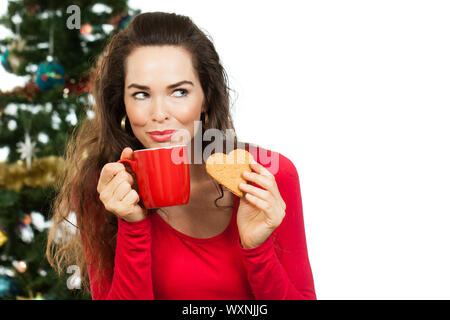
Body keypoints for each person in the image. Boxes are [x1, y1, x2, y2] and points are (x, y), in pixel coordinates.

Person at [46, 11, 316, 300]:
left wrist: (257, 250)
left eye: (179, 92)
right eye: (141, 94)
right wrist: (133, 228)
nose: (159, 114)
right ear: (121, 103)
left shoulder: (267, 175)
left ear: (206, 97)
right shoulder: (102, 189)